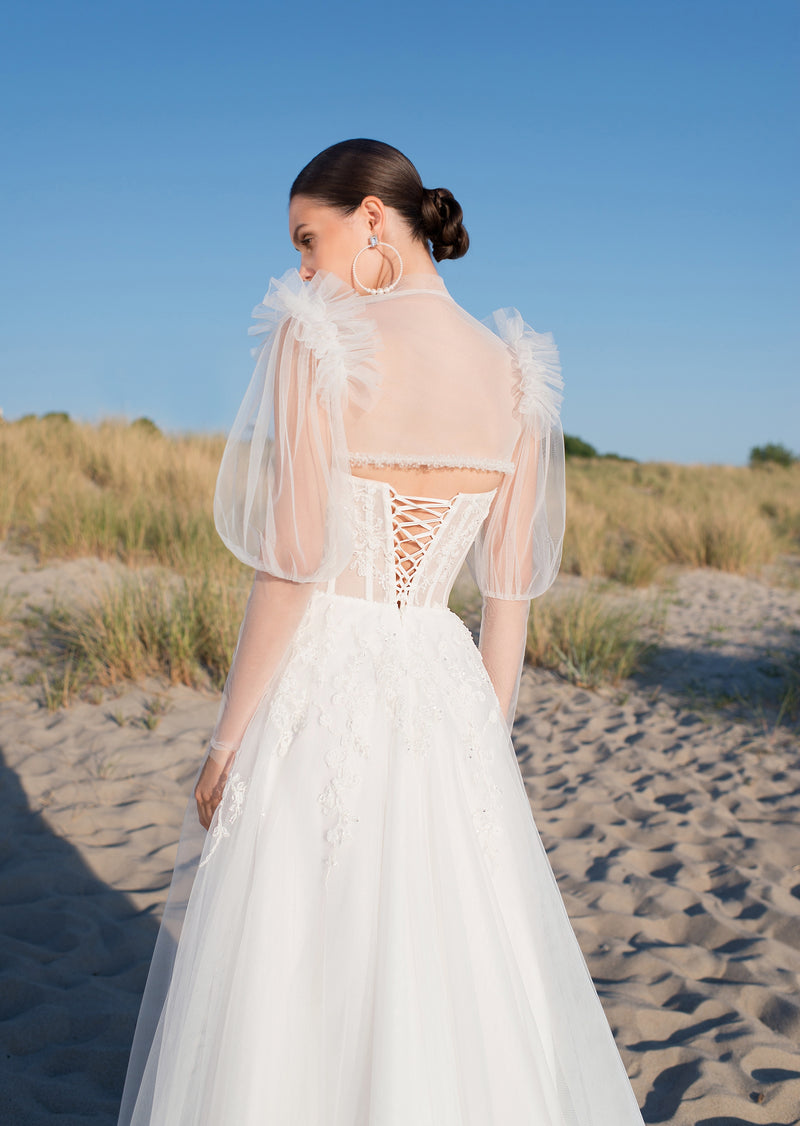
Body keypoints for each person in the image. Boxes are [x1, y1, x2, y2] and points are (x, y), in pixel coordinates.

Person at [117, 138, 646, 1125]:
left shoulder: (315, 337)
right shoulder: (518, 377)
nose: (302, 270)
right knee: (450, 968)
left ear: (372, 218)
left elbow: (290, 564)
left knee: (295, 962)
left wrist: (227, 737)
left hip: (325, 673)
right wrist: (484, 741)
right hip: (445, 688)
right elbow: (506, 598)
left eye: (307, 240)